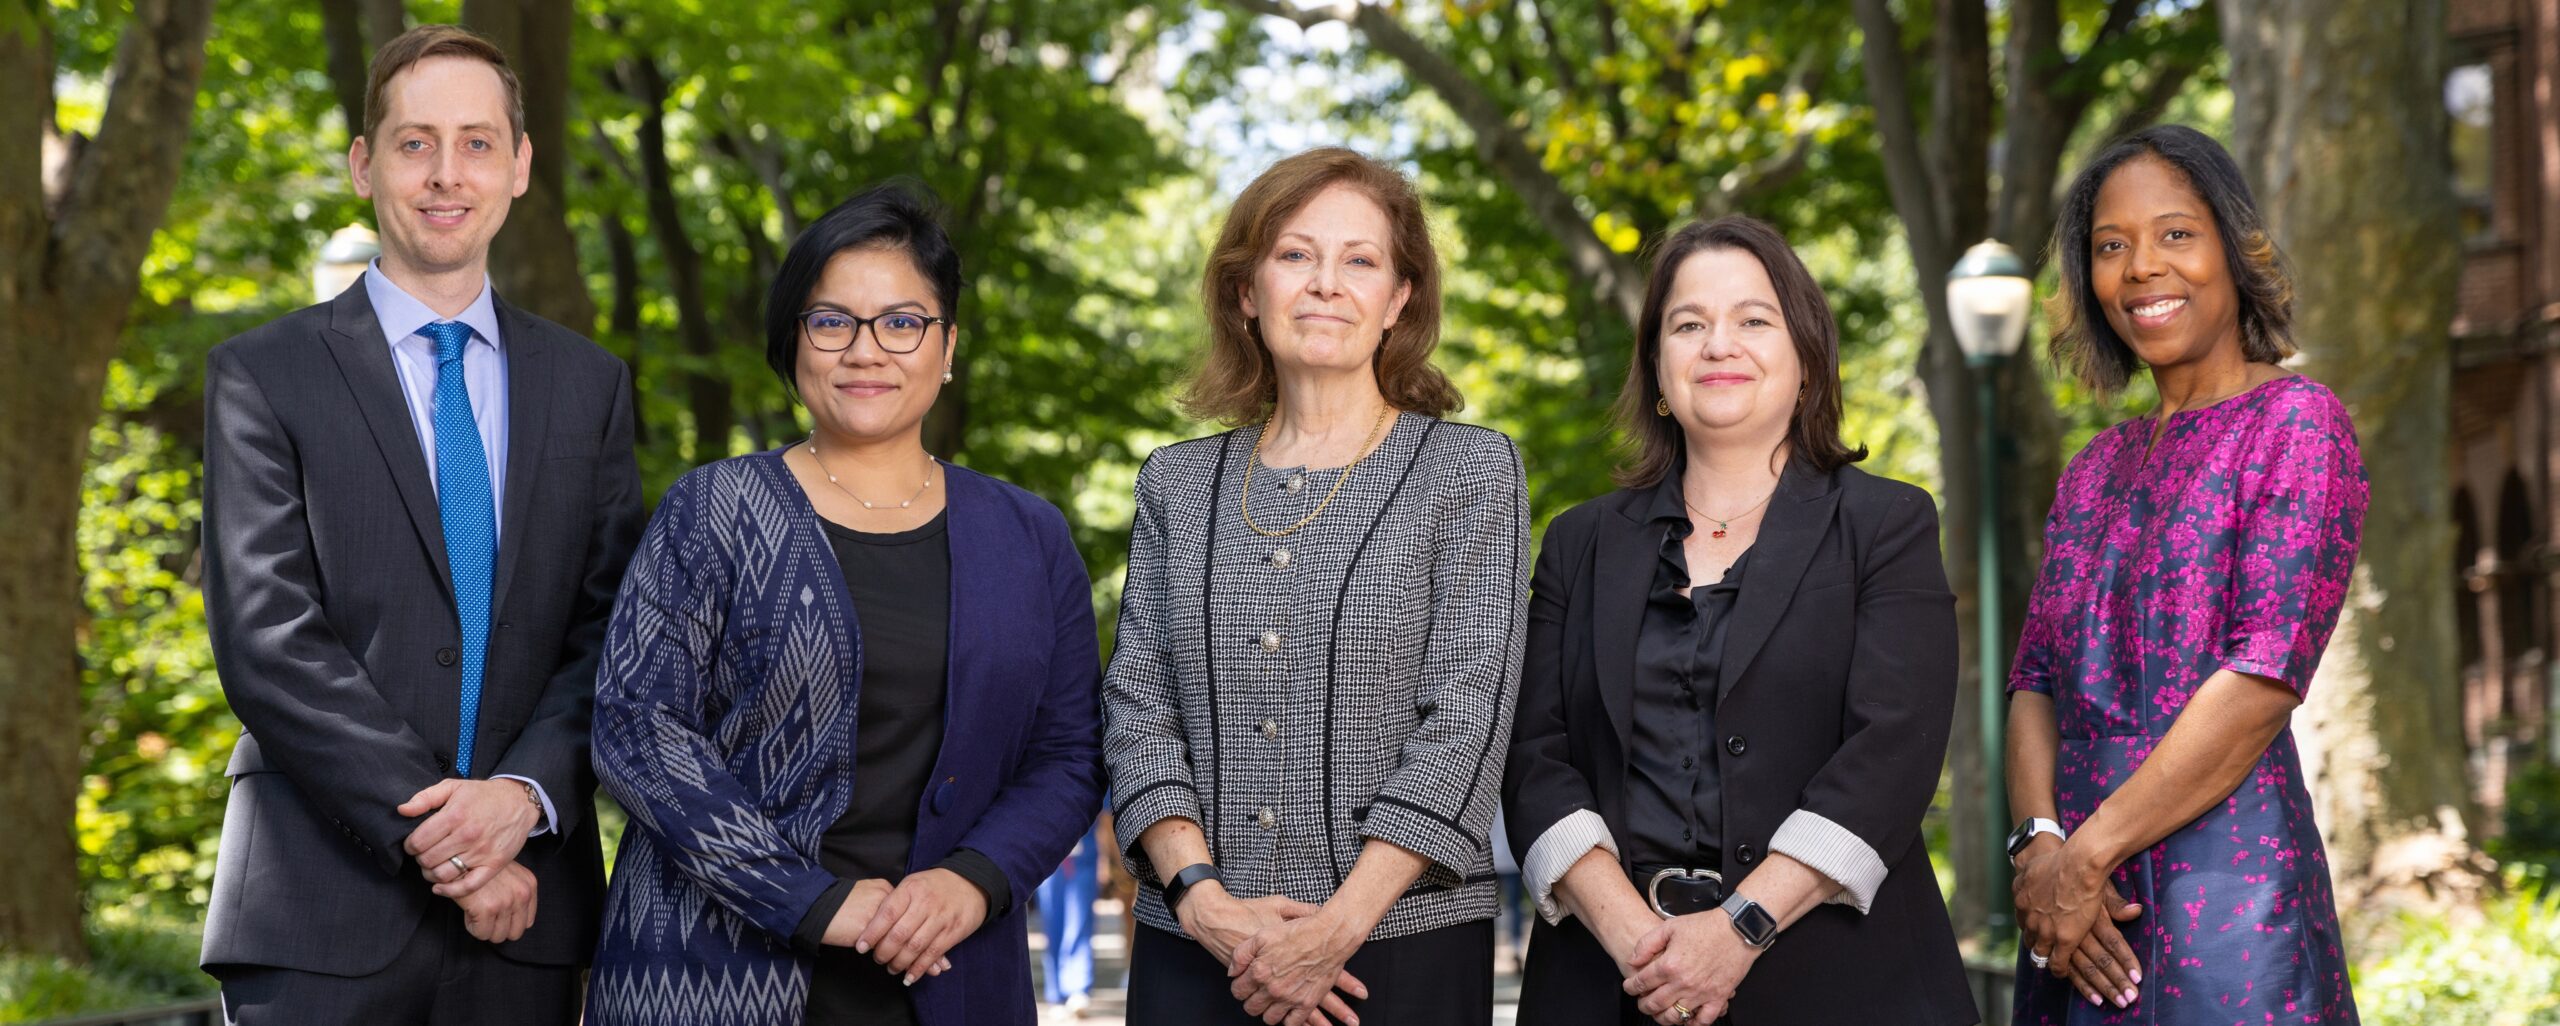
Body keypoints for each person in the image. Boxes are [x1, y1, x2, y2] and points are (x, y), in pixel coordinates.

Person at [197, 25, 642, 1024]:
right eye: (414, 143)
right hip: (317, 910)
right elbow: (268, 639)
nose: (448, 174)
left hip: (530, 918)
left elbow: (612, 634)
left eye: (478, 142)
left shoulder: (589, 387)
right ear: (363, 165)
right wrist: (448, 839)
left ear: (520, 167)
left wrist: (521, 798)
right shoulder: (262, 376)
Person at [584, 182, 1105, 1026]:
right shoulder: (713, 510)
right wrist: (812, 899)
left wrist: (973, 880)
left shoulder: (1027, 534)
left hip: (950, 968)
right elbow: (637, 729)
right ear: (793, 344)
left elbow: (1070, 751)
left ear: (947, 346)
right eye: (833, 322)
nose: (868, 350)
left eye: (903, 322)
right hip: (712, 975)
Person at [1502, 215, 1975, 1026]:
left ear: (1805, 359)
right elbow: (1531, 757)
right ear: (1658, 366)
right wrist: (1637, 942)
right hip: (1607, 980)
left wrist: (1737, 931)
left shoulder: (1886, 525)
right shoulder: (1579, 543)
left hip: (1844, 982)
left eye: (1754, 321)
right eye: (1689, 325)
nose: (1719, 345)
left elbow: (1891, 752)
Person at [1102, 146, 1528, 1026]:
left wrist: (1333, 930)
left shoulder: (1472, 470)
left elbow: (1469, 715)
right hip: (1197, 949)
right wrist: (1202, 899)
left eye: (1359, 260)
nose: (1326, 283)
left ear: (1399, 299)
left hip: (1398, 952)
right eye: (1295, 255)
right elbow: (1138, 705)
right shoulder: (1174, 485)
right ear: (1246, 293)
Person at [2005, 124, 2366, 1024]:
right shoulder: (2092, 470)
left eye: (2175, 234)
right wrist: (2040, 847)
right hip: (2073, 924)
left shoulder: (2296, 423)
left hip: (2230, 897)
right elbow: (2035, 683)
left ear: (2233, 251)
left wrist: (2087, 858)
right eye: (2110, 247)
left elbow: (2262, 675)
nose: (2140, 269)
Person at [1037, 822, 1102, 1018]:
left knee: (1080, 923)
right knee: (1052, 925)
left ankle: (1078, 988)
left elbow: (1105, 821)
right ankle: (1056, 994)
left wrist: (1106, 860)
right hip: (1048, 861)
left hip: (1084, 859)